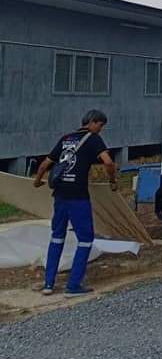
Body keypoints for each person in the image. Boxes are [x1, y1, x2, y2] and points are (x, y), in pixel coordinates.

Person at [33, 109, 118, 296]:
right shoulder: (93, 138)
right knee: (85, 240)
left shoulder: (66, 138)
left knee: (56, 238)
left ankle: (48, 284)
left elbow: (45, 164)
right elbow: (109, 163)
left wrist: (38, 181)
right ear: (94, 122)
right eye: (101, 125)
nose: (101, 129)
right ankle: (73, 286)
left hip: (60, 196)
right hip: (78, 197)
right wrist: (112, 181)